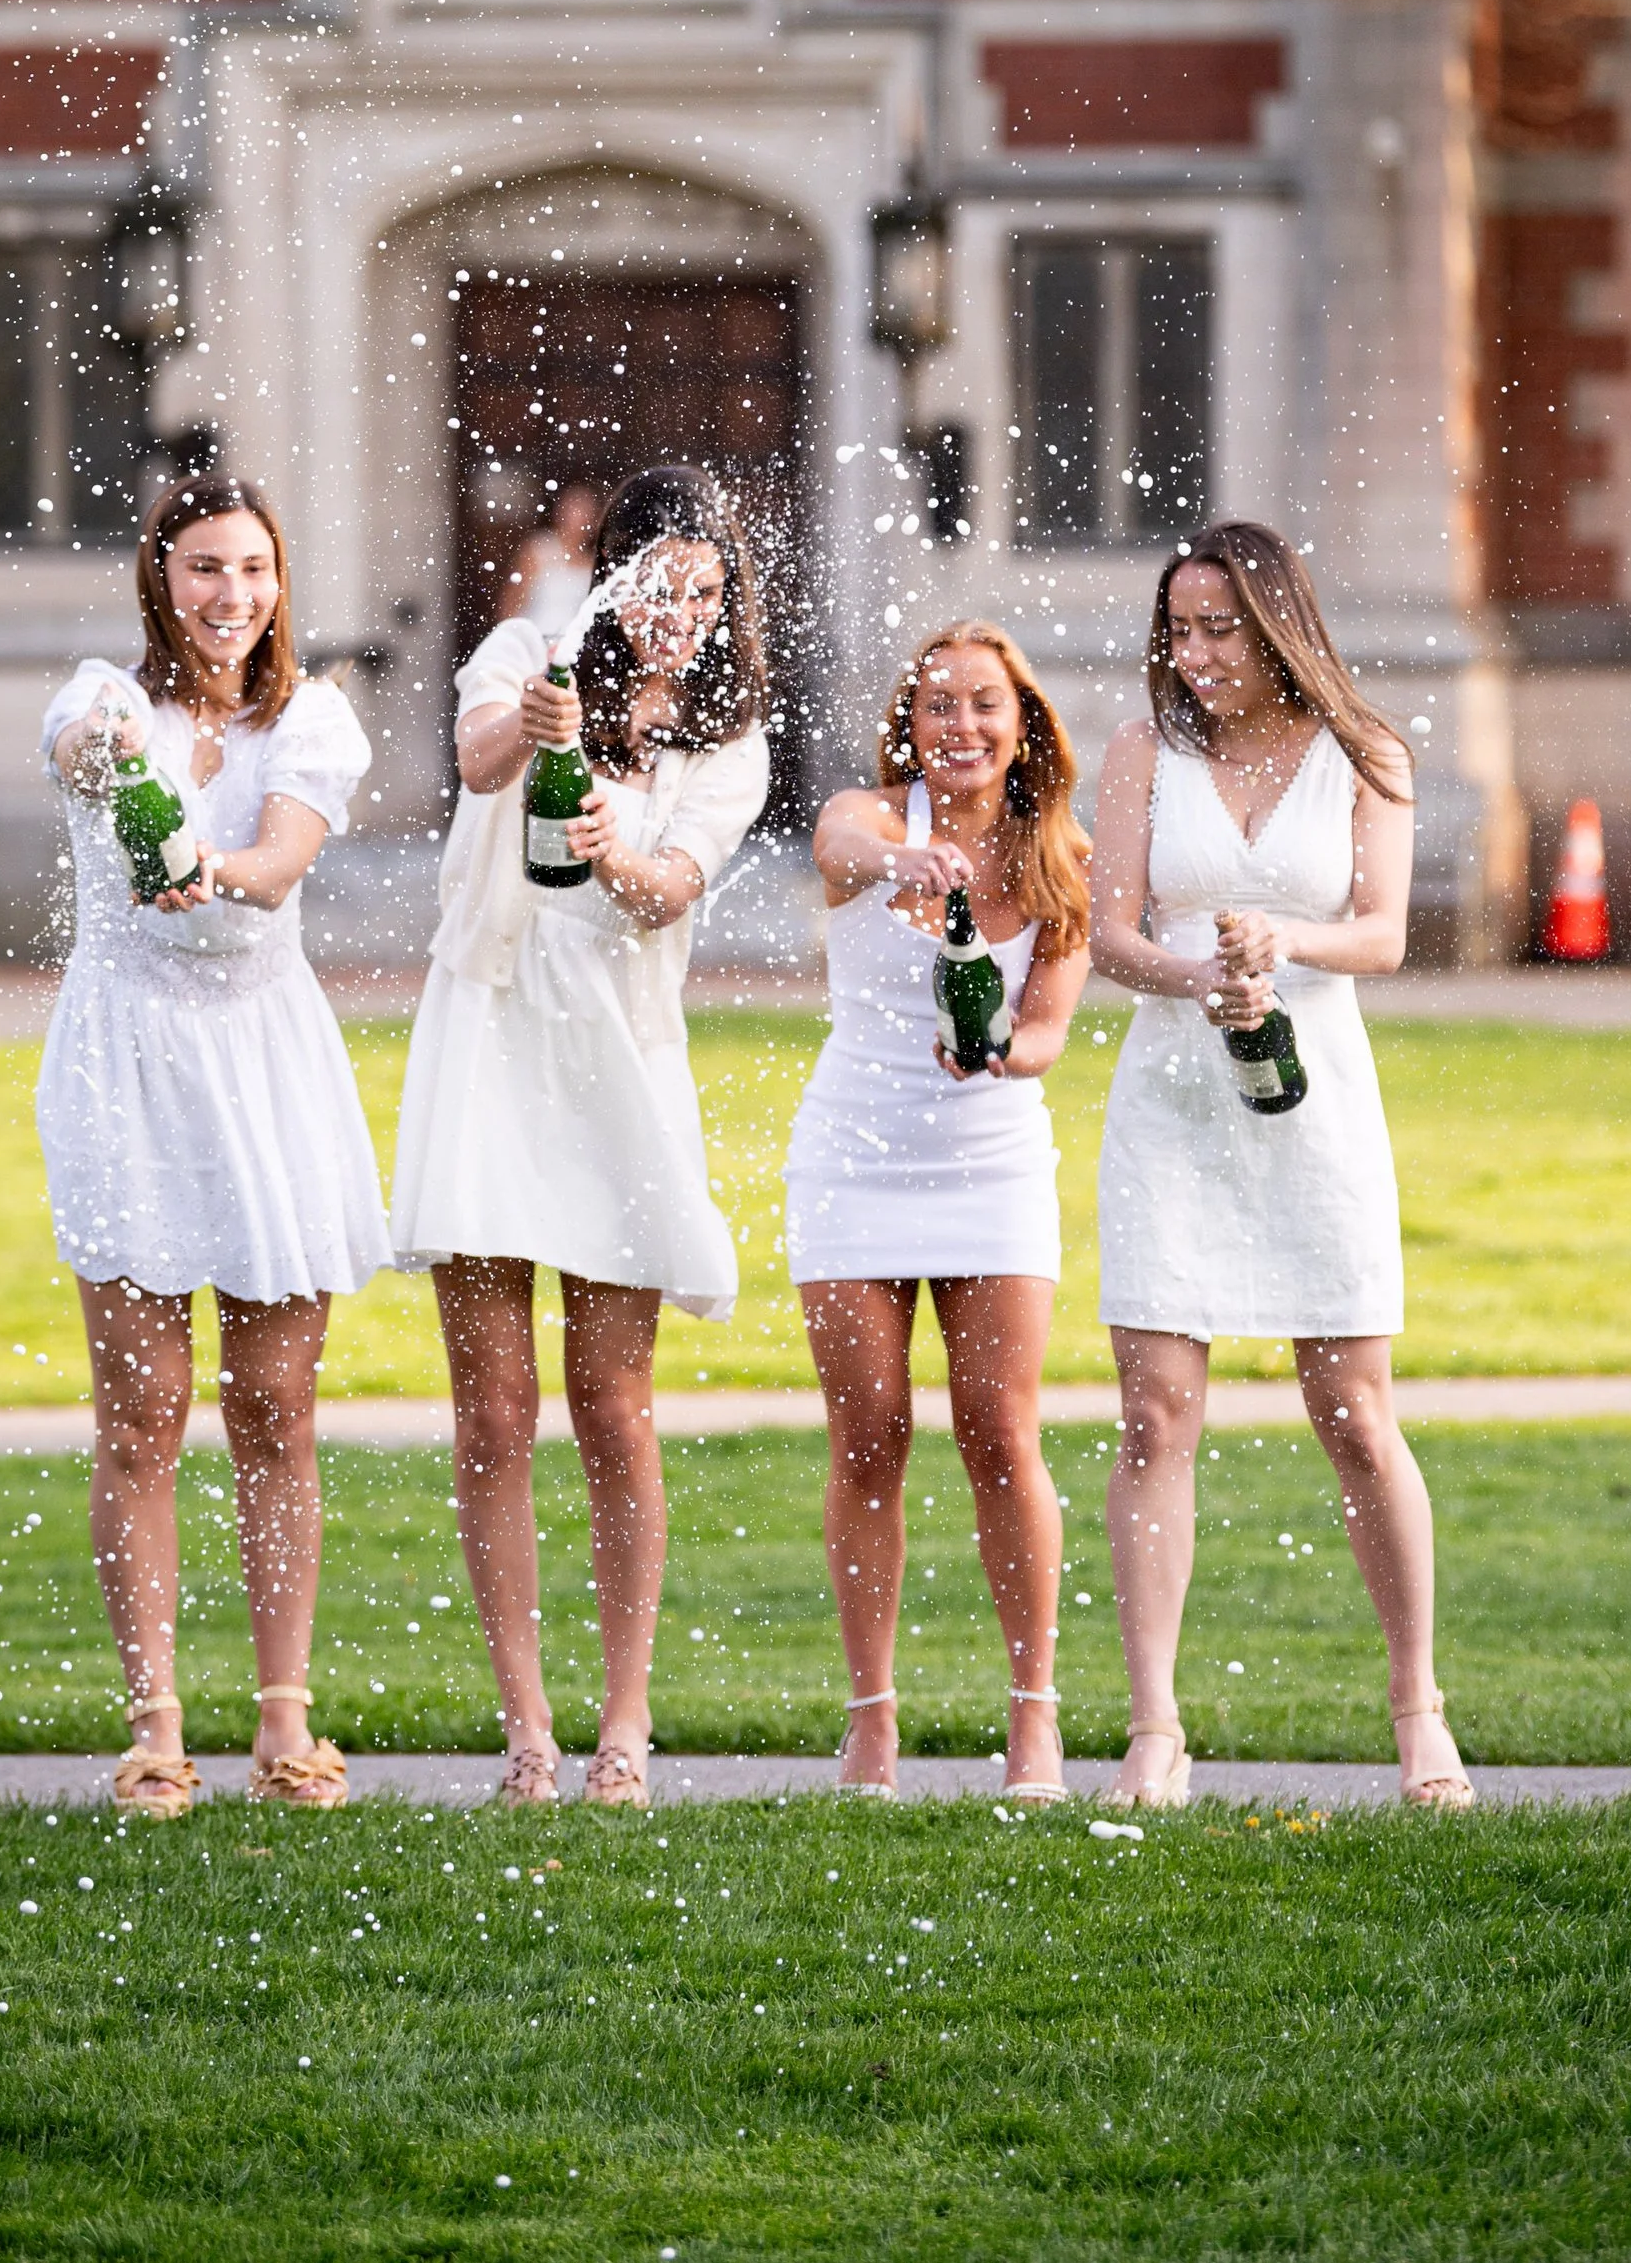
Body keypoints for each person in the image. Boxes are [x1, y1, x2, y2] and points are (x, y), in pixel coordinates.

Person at [390, 461, 771, 1812]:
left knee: (613, 1407)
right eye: (665, 583)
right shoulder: (526, 653)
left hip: (616, 1058)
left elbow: (671, 891)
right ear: (617, 573)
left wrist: (613, 848)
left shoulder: (733, 736)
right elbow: (480, 754)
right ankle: (529, 1735)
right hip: (492, 1037)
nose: (684, 613)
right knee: (495, 1412)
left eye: (709, 593)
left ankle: (624, 1728)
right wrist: (547, 719)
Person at [1089, 518, 1474, 1812]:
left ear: (1276, 626)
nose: (1194, 654)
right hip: (1172, 1108)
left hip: (1316, 1107)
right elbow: (1111, 936)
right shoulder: (1142, 754)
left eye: (1219, 629)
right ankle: (1155, 1728)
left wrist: (1282, 945)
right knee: (1156, 1414)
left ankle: (1417, 1707)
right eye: (1180, 629)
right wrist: (1200, 973)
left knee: (1355, 1412)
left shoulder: (1368, 755)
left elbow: (1382, 933)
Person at [38, 475, 388, 1819]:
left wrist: (202, 858)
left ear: (278, 581)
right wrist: (128, 762)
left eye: (249, 569)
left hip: (263, 1069)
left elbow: (281, 858)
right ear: (159, 577)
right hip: (126, 1067)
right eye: (201, 568)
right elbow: (77, 748)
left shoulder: (313, 716)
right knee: (139, 1415)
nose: (227, 594)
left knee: (274, 1407)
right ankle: (152, 1729)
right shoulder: (102, 698)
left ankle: (288, 1723)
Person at [786, 625, 1092, 1803]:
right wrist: (907, 865)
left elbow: (1052, 1024)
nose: (959, 727)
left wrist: (1003, 1052)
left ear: (1021, 723)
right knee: (868, 1436)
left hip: (992, 1164)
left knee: (996, 1431)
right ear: (907, 727)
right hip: (853, 1161)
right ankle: (870, 1720)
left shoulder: (1060, 855)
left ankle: (1034, 1719)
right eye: (935, 708)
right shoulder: (868, 820)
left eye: (982, 705)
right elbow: (839, 842)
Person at [501, 478, 602, 645]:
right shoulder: (539, 549)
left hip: (572, 648)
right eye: (574, 510)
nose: (579, 519)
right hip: (534, 642)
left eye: (586, 512)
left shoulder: (592, 561)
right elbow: (511, 603)